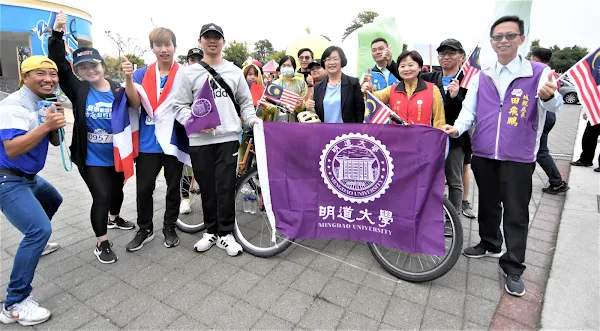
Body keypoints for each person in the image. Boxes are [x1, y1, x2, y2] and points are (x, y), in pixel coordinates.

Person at [443, 15, 563, 297]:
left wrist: (548, 97)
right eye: (498, 37)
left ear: (521, 39)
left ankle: (513, 266)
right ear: (492, 42)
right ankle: (489, 243)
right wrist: (457, 128)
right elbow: (469, 110)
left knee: (516, 211)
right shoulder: (483, 74)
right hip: (484, 151)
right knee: (488, 203)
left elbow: (555, 104)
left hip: (518, 156)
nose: (504, 41)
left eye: (510, 36)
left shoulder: (537, 73)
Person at [48, 13, 135, 264]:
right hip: (90, 157)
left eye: (94, 65)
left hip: (116, 155)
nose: (90, 70)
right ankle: (102, 242)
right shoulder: (79, 89)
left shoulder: (118, 88)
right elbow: (59, 63)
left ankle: (114, 218)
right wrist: (57, 34)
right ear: (78, 71)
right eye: (83, 68)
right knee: (102, 196)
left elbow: (137, 105)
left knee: (117, 193)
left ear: (103, 67)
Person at [173, 23, 260, 256]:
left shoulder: (233, 71)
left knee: (224, 187)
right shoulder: (188, 73)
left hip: (228, 138)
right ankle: (210, 231)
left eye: (217, 37)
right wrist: (194, 122)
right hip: (200, 141)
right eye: (207, 37)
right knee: (208, 188)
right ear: (200, 41)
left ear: (223, 42)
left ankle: (226, 233)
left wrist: (251, 120)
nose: (212, 41)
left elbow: (245, 102)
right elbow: (179, 106)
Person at [0, 56, 65, 326]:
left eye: (52, 73)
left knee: (53, 199)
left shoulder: (42, 102)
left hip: (27, 177)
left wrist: (54, 123)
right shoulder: (14, 104)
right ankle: (14, 304)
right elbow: (13, 148)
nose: (48, 78)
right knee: (39, 229)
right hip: (8, 179)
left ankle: (35, 245)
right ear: (24, 77)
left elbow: (51, 140)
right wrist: (46, 125)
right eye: (40, 73)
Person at [124, 27, 190, 251]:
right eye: (158, 45)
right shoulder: (142, 74)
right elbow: (134, 103)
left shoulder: (184, 73)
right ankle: (145, 228)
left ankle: (169, 226)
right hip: (148, 142)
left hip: (173, 140)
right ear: (152, 48)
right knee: (144, 188)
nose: (163, 49)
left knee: (174, 186)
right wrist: (127, 79)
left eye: (168, 44)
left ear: (174, 47)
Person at [419, 38, 474, 218]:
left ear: (462, 57)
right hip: (431, 137)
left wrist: (456, 96)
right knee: (431, 178)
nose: (446, 57)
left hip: (455, 138)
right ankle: (432, 215)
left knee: (454, 179)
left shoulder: (469, 81)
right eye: (442, 53)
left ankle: (454, 218)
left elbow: (471, 112)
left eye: (451, 53)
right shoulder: (429, 78)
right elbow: (405, 74)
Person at [362, 50, 446, 129]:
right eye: (402, 66)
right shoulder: (391, 90)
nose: (406, 69)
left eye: (410, 65)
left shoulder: (433, 90)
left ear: (420, 67)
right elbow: (374, 99)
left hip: (422, 141)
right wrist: (368, 90)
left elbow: (439, 121)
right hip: (397, 141)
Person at [530, 47, 569, 194]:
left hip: (544, 116)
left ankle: (557, 182)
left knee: (540, 151)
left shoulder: (544, 75)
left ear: (535, 59)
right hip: (549, 116)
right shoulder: (550, 74)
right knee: (541, 150)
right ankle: (556, 181)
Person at [305, 46, 364, 123]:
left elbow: (360, 112)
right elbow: (316, 114)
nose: (331, 62)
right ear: (324, 63)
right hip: (325, 132)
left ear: (341, 61)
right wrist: (309, 107)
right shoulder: (318, 87)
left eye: (335, 59)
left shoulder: (353, 83)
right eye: (328, 59)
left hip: (347, 133)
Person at [180, 47, 205, 215]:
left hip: (206, 131)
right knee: (187, 167)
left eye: (199, 60)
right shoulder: (182, 78)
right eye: (192, 60)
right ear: (187, 62)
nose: (195, 63)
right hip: (187, 129)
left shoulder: (209, 78)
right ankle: (185, 199)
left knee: (204, 167)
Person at [260, 55, 307, 122]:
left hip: (296, 122)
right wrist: (265, 107)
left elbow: (304, 106)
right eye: (284, 65)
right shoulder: (275, 84)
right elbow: (272, 107)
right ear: (280, 67)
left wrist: (299, 106)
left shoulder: (301, 83)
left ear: (294, 67)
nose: (286, 68)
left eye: (289, 65)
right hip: (278, 122)